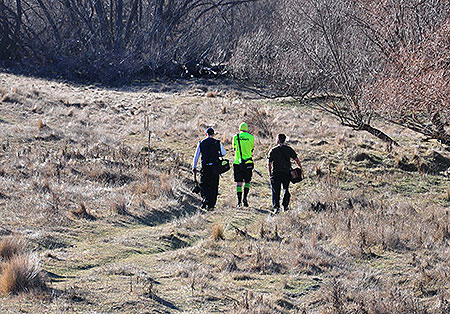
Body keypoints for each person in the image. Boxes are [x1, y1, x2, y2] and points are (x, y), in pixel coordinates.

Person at [192, 127, 227, 210]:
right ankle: (211, 205)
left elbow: (196, 156)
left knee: (204, 184)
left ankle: (205, 199)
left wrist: (194, 166)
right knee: (214, 186)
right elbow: (224, 153)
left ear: (206, 134)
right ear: (213, 134)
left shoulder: (201, 143)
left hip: (205, 167)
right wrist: (217, 154)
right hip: (215, 168)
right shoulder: (217, 142)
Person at [268, 134, 302, 214]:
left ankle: (276, 208)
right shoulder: (288, 149)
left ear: (278, 140)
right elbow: (296, 159)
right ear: (284, 140)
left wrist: (270, 173)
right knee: (285, 189)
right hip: (286, 173)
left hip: (276, 173)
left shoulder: (273, 150)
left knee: (276, 191)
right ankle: (285, 206)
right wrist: (300, 168)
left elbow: (269, 163)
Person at [232, 122, 255, 207]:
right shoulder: (251, 137)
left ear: (239, 129)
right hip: (248, 163)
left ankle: (239, 202)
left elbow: (234, 148)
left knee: (239, 182)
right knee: (247, 181)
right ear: (247, 129)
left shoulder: (235, 137)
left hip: (238, 162)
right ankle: (245, 198)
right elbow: (252, 148)